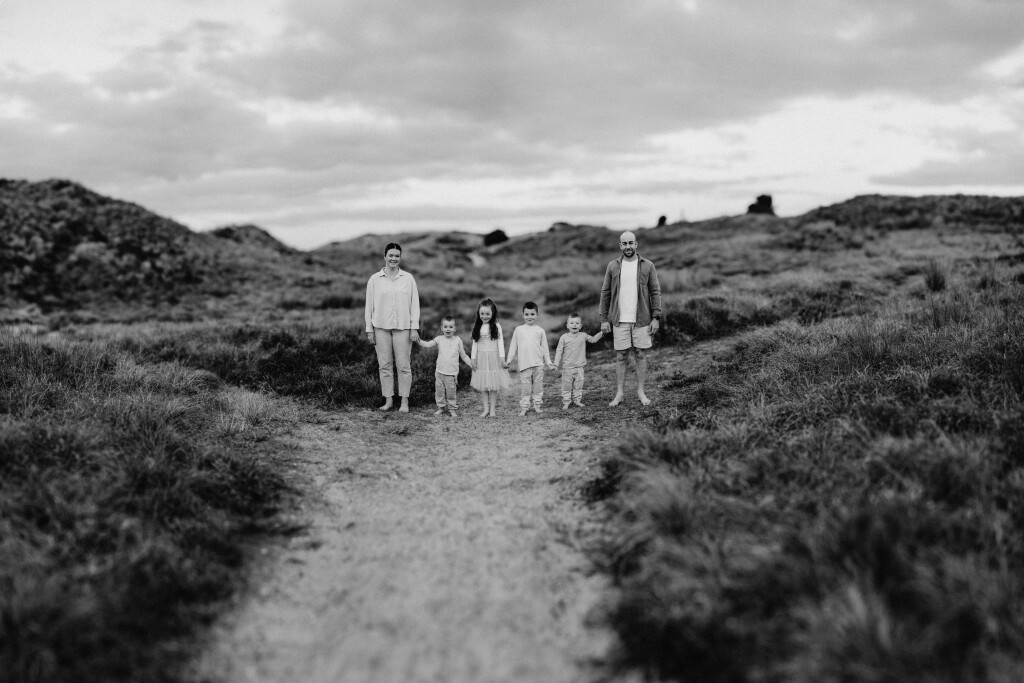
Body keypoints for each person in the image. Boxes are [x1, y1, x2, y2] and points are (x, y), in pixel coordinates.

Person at [599, 231, 662, 406]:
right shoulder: (612, 266)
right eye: (624, 243)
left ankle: (641, 392)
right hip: (619, 319)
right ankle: (619, 393)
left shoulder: (648, 265)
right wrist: (603, 319)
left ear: (636, 244)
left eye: (631, 243)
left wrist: (656, 317)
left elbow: (655, 291)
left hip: (642, 319)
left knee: (640, 354)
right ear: (620, 246)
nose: (628, 246)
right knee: (621, 356)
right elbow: (605, 292)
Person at [365, 242, 420, 412]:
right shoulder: (374, 279)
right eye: (391, 255)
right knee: (385, 365)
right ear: (385, 256)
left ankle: (404, 402)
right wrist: (369, 330)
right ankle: (388, 401)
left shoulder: (408, 278)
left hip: (403, 327)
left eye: (397, 256)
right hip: (380, 327)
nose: (393, 258)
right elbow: (369, 307)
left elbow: (415, 304)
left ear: (400, 258)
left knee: (404, 366)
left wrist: (414, 327)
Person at [506, 301, 556, 416]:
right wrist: (508, 360)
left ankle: (537, 405)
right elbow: (513, 347)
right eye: (527, 314)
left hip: (538, 364)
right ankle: (524, 407)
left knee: (538, 387)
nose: (529, 317)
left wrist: (549, 362)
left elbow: (545, 348)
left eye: (532, 314)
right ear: (523, 315)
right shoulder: (519, 330)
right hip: (524, 365)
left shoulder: (540, 330)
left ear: (537, 315)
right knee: (526, 388)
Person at [416, 315, 472, 417]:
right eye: (445, 327)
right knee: (439, 392)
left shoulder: (458, 340)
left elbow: (463, 355)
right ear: (442, 328)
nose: (448, 329)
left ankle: (452, 409)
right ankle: (441, 408)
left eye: (451, 327)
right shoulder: (439, 339)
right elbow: (428, 344)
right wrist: (418, 340)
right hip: (439, 372)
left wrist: (471, 364)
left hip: (451, 373)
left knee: (451, 392)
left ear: (455, 329)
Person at [553, 312, 604, 410]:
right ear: (567, 325)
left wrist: (602, 333)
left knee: (578, 385)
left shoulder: (583, 335)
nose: (574, 325)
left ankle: (577, 400)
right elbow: (559, 351)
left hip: (580, 366)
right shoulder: (564, 337)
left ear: (580, 326)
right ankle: (566, 401)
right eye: (572, 323)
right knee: (566, 386)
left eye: (577, 323)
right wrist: (556, 363)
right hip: (567, 367)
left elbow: (593, 339)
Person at [469, 298, 512, 417]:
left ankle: (492, 409)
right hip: (481, 358)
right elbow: (475, 344)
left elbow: (500, 344)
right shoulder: (478, 326)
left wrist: (502, 359)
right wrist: (472, 359)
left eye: (487, 314)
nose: (484, 316)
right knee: (483, 385)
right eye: (482, 313)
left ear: (493, 313)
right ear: (478, 313)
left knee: (493, 385)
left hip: (494, 357)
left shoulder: (497, 326)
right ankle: (486, 409)